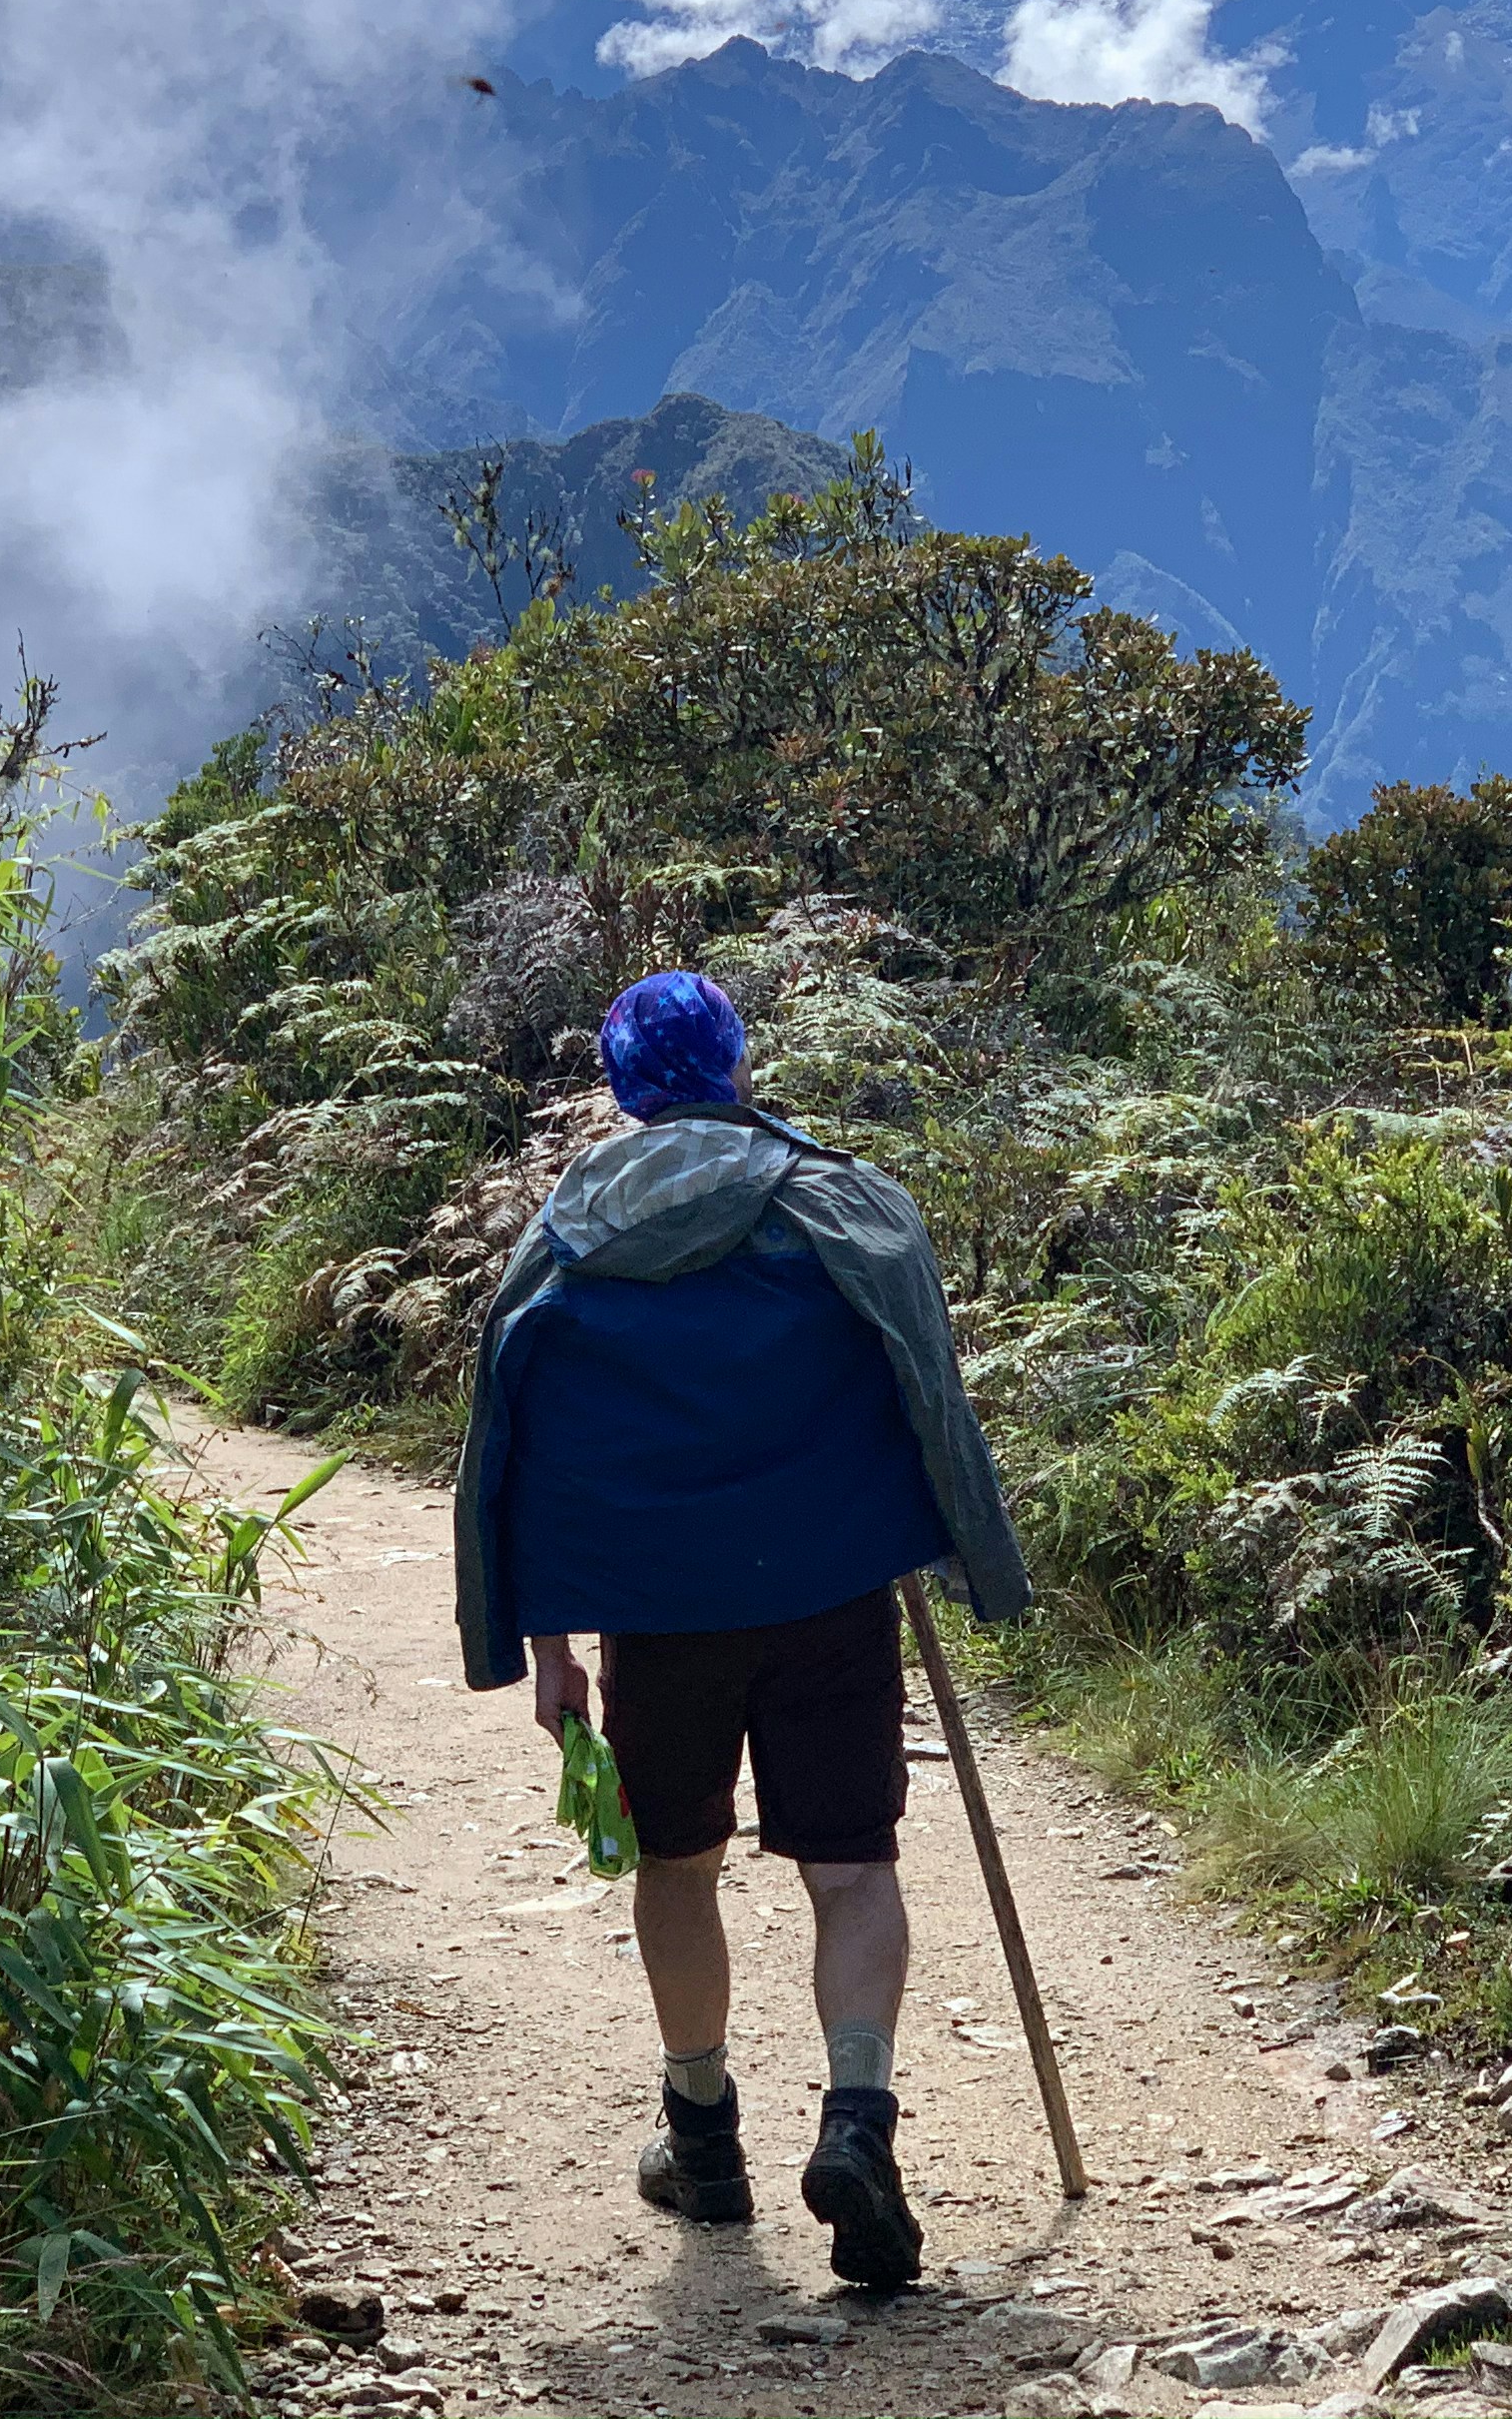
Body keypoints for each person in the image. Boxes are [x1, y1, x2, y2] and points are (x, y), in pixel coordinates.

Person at [453, 969, 1031, 2290]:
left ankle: (704, 2138)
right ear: (738, 1066)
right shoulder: (839, 1206)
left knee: (678, 1864)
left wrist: (549, 1648)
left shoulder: (568, 1240)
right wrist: (931, 1526)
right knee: (852, 1868)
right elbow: (922, 1382)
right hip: (832, 1596)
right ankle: (858, 2123)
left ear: (624, 1089)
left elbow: (524, 1450)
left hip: (660, 1622)